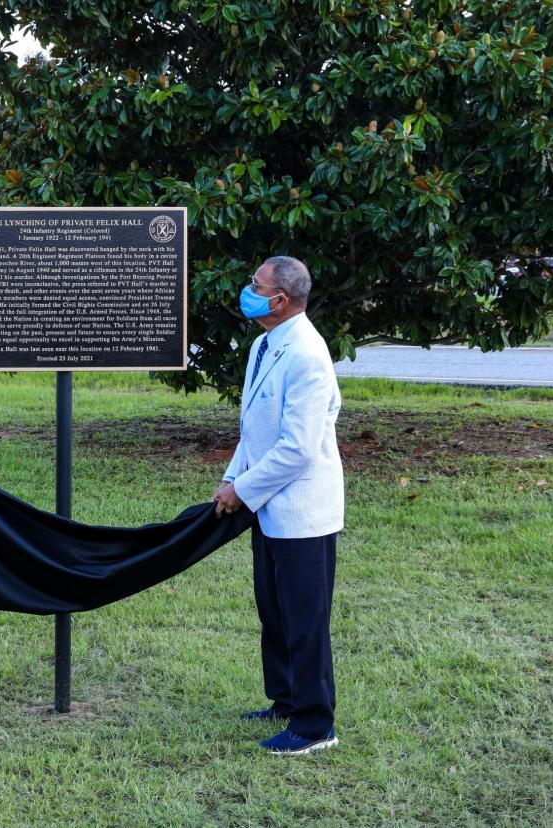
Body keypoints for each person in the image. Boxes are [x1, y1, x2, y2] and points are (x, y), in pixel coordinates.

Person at [212, 255, 344, 755]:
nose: (249, 289)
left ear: (280, 300)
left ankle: (314, 727)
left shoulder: (308, 355)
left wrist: (242, 490)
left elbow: (297, 447)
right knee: (275, 611)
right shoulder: (264, 344)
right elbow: (255, 429)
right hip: (268, 507)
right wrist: (231, 477)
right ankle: (285, 700)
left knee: (305, 620)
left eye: (256, 284)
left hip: (302, 512)